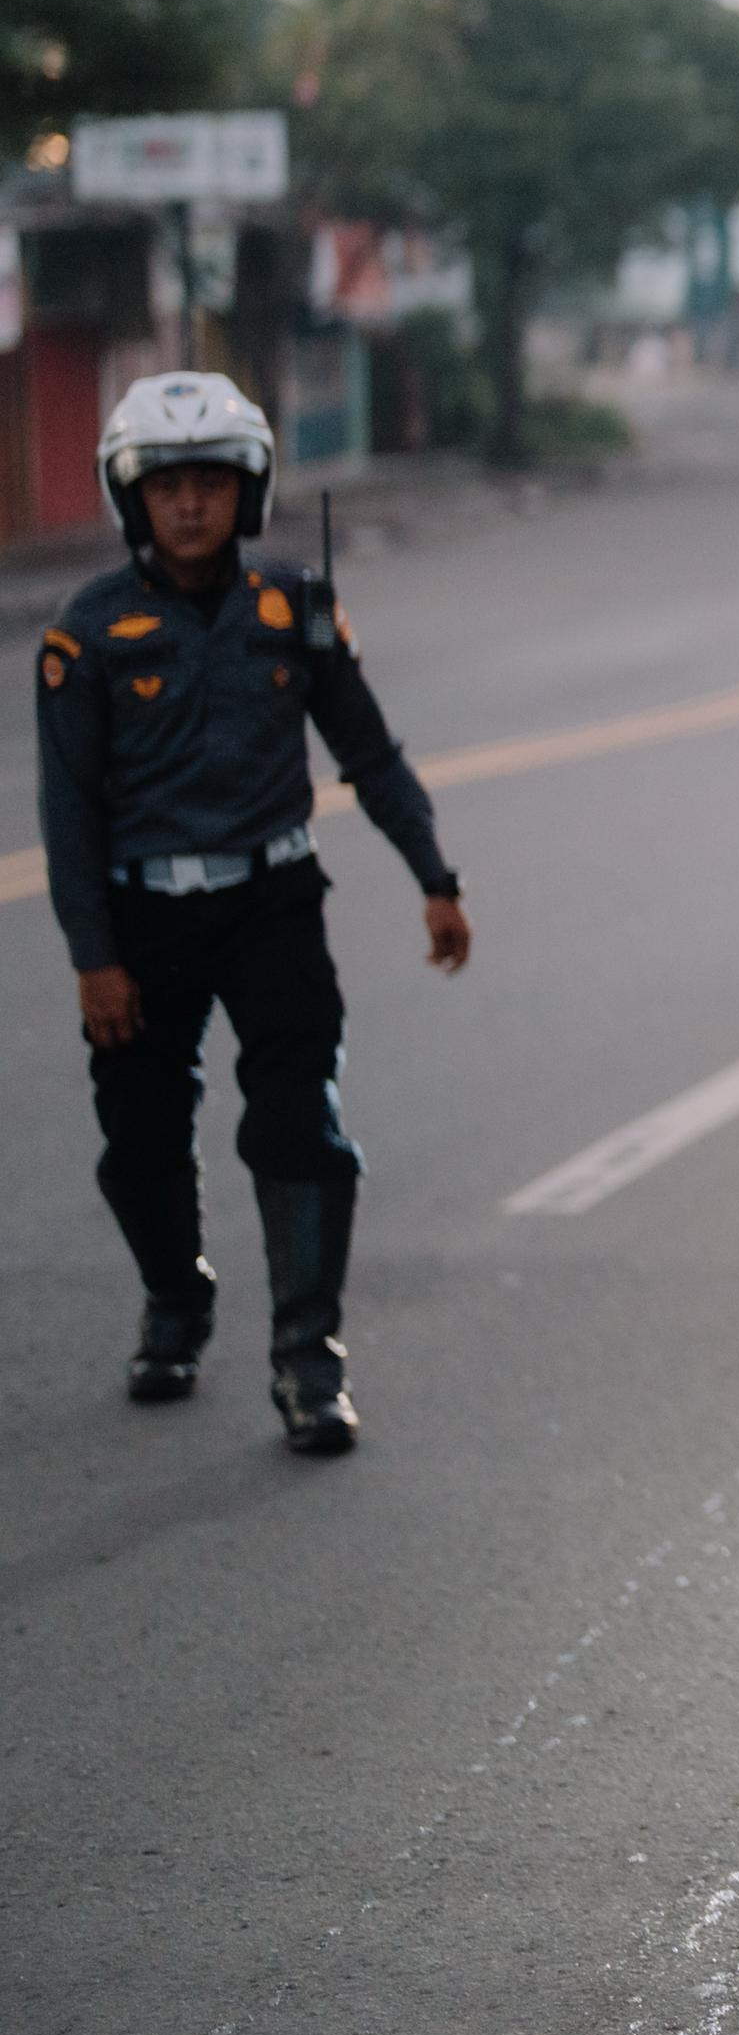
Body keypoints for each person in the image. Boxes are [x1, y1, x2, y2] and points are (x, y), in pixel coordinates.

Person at [37, 371, 472, 1455]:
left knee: (299, 1127)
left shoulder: (297, 611)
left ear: (253, 490)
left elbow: (368, 754)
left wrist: (434, 875)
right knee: (139, 1138)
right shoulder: (86, 634)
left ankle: (307, 1360)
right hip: (143, 922)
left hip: (273, 903)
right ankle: (177, 1301)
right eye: (169, 484)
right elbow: (69, 813)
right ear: (132, 497)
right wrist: (95, 956)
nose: (191, 505)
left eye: (213, 483)